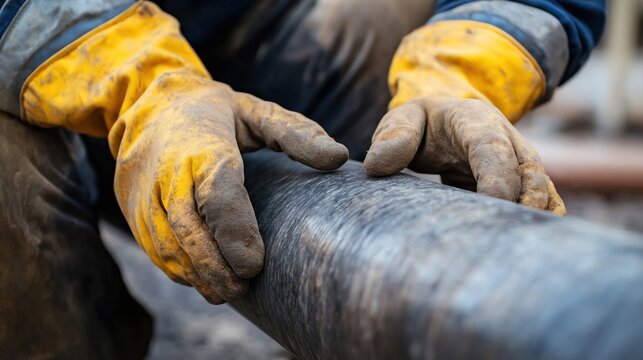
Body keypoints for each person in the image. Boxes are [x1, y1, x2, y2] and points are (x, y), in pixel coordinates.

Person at [0, 0, 605, 357]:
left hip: (268, 37)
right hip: (55, 84)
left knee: (379, 15)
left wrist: (459, 74)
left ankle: (365, 311)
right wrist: (147, 89)